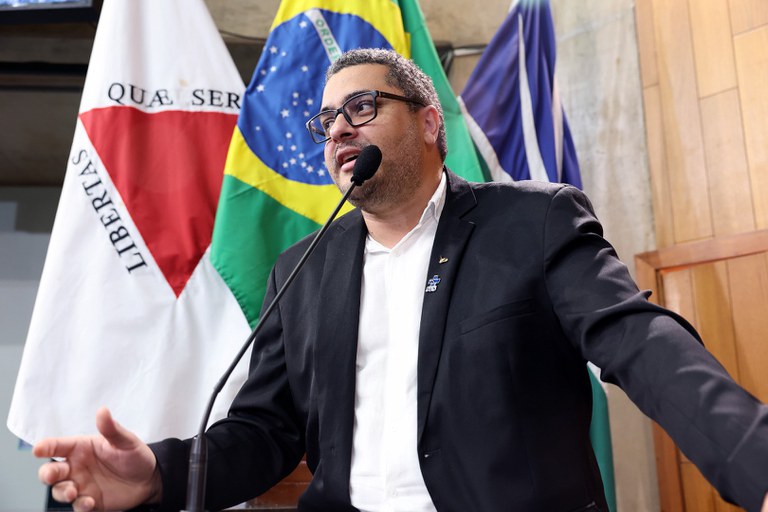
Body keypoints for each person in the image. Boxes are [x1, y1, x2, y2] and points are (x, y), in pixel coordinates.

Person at [35, 48, 768, 512]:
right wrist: (157, 473)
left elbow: (637, 341)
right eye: (327, 120)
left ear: (428, 123)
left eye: (362, 107)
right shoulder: (303, 268)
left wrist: (755, 460)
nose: (338, 130)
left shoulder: (533, 222)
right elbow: (264, 432)